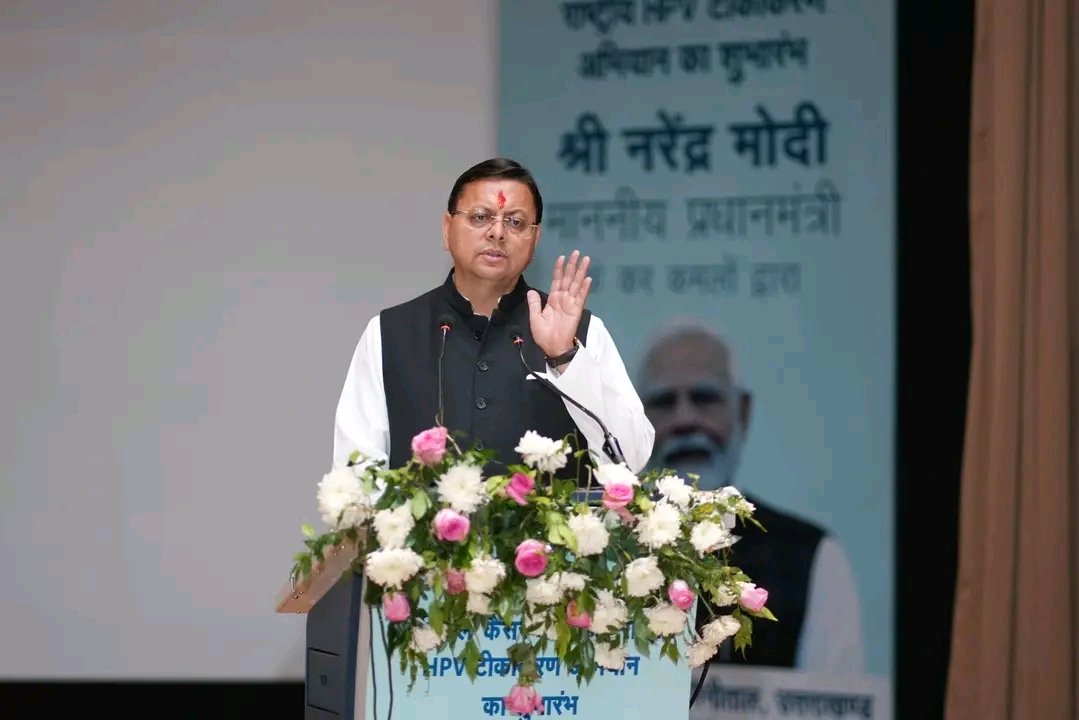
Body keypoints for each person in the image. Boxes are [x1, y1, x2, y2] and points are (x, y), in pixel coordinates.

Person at [333, 157, 654, 480]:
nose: (497, 233)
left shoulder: (581, 330)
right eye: (480, 217)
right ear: (447, 228)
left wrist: (565, 358)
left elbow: (630, 458)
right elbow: (355, 474)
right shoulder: (390, 333)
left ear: (535, 238)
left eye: (515, 222)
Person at [639, 320, 864, 675]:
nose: (685, 419)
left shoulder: (813, 555)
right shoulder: (606, 546)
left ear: (742, 412)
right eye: (664, 402)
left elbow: (833, 695)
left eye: (704, 398)